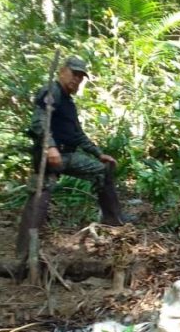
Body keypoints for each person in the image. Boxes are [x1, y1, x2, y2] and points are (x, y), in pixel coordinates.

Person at [17, 56, 132, 255]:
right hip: (49, 156)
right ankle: (24, 251)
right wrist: (50, 147)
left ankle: (113, 218)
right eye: (74, 74)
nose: (77, 80)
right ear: (62, 71)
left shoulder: (68, 102)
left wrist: (98, 153)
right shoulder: (52, 91)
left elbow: (77, 134)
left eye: (80, 77)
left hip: (67, 155)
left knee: (102, 171)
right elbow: (39, 121)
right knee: (39, 195)